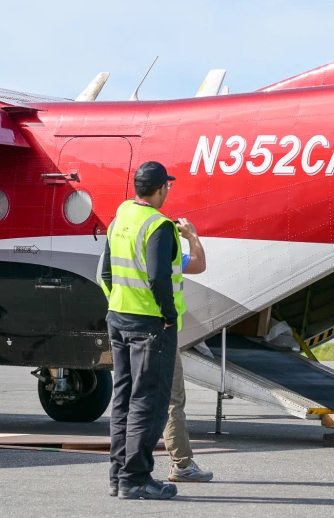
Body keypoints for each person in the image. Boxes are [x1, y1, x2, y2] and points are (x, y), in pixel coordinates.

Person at [99, 161, 186, 500]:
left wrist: (117, 303)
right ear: (162, 189)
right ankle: (136, 478)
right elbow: (158, 276)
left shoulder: (120, 217)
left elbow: (105, 273)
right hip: (150, 324)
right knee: (148, 402)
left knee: (123, 398)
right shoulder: (159, 225)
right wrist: (167, 315)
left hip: (118, 318)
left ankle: (118, 476)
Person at [163, 219, 213, 483]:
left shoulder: (119, 240)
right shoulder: (165, 248)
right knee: (171, 401)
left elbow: (104, 277)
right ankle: (181, 464)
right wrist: (192, 235)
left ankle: (126, 467)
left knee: (133, 398)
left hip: (125, 328)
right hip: (161, 332)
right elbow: (199, 264)